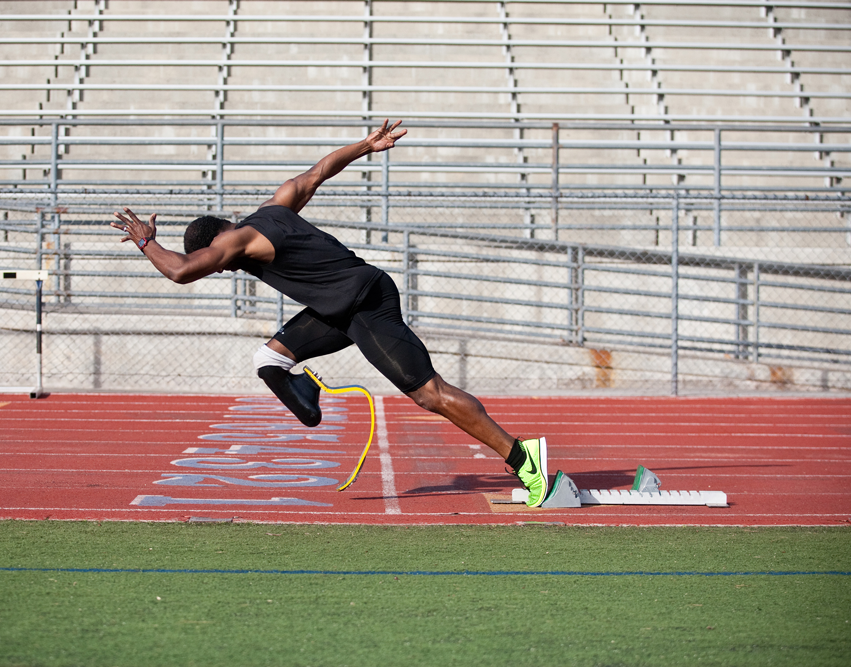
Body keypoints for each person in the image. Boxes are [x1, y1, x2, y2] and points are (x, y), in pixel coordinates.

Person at [111, 120, 550, 506]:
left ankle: (522, 457)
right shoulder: (276, 207)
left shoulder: (234, 242)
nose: (223, 267)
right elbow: (318, 172)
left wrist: (146, 242)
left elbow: (181, 271)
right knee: (269, 359)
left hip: (364, 303)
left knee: (428, 393)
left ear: (216, 245)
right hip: (335, 305)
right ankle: (308, 396)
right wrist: (366, 145)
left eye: (219, 263)